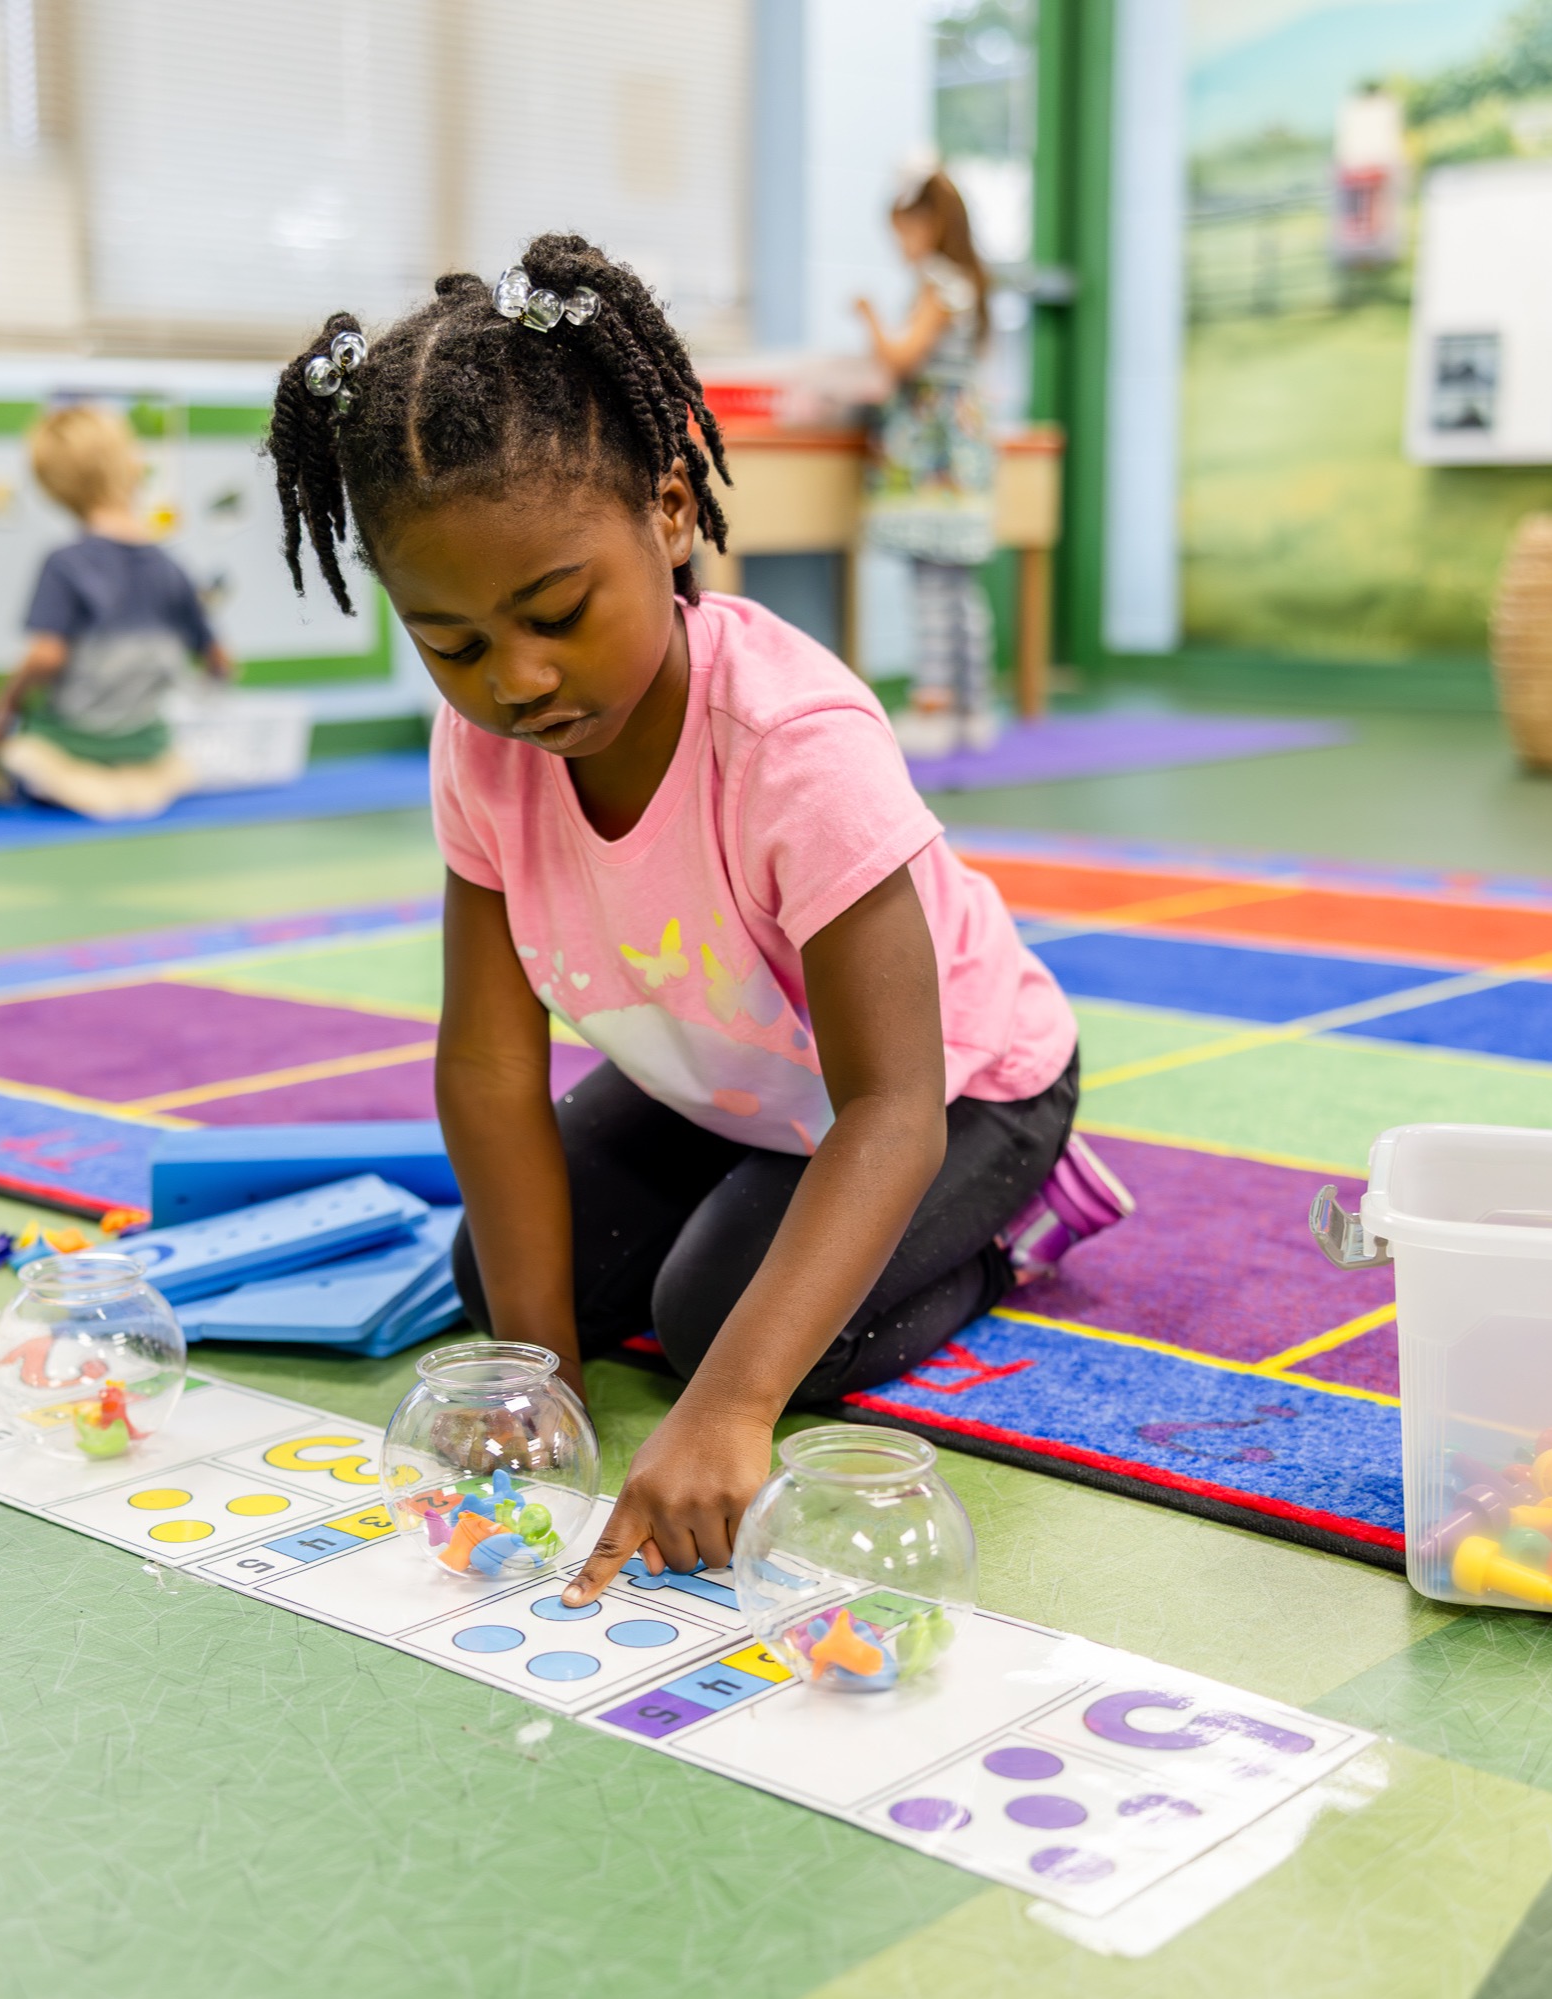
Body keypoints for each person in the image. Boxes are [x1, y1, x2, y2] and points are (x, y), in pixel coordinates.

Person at [264, 235, 1135, 1606]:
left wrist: (730, 1406)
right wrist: (540, 1388)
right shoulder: (478, 748)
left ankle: (1006, 1229)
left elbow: (891, 1104)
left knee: (711, 1319)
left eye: (555, 611)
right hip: (725, 1075)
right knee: (500, 1290)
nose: (519, 678)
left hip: (957, 1089)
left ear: (669, 511)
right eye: (453, 643)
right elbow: (490, 1063)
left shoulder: (791, 741)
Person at [0, 402, 233, 820]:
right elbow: (220, 662)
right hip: (147, 744)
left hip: (78, 744)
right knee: (167, 760)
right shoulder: (171, 568)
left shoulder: (65, 564)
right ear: (128, 466)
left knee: (21, 751)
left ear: (54, 486)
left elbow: (46, 656)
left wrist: (4, 704)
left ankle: (80, 784)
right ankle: (138, 782)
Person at [854, 167, 1001, 757]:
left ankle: (934, 705)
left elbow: (904, 356)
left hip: (935, 456)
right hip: (959, 451)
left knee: (933, 584)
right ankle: (973, 705)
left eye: (903, 231)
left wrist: (868, 317)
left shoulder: (938, 283)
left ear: (928, 224)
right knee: (958, 586)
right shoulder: (967, 281)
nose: (900, 246)